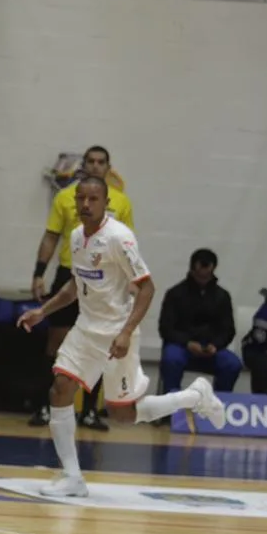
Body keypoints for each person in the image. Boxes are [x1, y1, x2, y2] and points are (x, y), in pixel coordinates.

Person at [17, 175, 225, 498]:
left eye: (93, 199)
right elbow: (76, 284)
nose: (86, 204)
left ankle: (195, 397)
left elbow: (147, 287)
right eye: (81, 199)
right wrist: (43, 311)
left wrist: (127, 331)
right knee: (60, 389)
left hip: (117, 332)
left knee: (123, 415)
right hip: (86, 328)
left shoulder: (119, 238)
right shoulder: (74, 237)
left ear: (105, 202)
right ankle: (72, 477)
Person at [29, 145, 135, 430]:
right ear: (83, 166)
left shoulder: (121, 202)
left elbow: (127, 245)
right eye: (91, 161)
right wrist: (39, 273)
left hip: (105, 281)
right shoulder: (66, 198)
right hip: (70, 274)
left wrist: (128, 281)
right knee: (56, 342)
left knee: (100, 346)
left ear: (108, 167)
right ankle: (44, 406)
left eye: (102, 162)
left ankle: (89, 411)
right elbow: (51, 236)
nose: (96, 166)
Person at [156, 248, 241, 393]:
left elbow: (228, 329)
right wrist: (187, 342)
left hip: (212, 349)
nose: (203, 278)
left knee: (233, 364)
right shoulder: (175, 294)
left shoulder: (222, 296)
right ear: (192, 269)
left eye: (207, 275)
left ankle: (218, 407)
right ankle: (169, 409)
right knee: (171, 360)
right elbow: (166, 328)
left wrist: (215, 345)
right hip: (181, 347)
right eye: (200, 275)